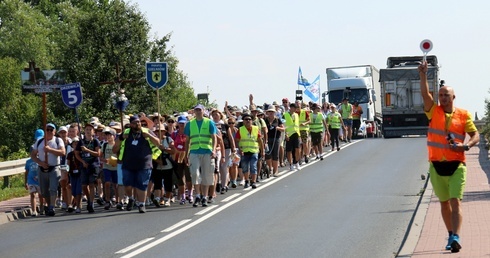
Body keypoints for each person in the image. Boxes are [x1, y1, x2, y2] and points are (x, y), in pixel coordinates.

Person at [418, 61, 479, 253]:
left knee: (455, 201)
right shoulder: (433, 111)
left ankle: (455, 237)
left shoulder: (463, 114)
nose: (443, 97)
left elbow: (475, 135)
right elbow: (425, 95)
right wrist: (423, 75)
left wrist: (466, 145)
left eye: (446, 95)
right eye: (441, 95)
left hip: (457, 164)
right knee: (444, 203)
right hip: (436, 165)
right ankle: (450, 233)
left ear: (454, 97)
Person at [113, 115, 162, 213]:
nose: (138, 124)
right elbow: (115, 149)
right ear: (131, 124)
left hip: (144, 164)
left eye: (139, 122)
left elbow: (157, 143)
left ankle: (141, 204)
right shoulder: (126, 133)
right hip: (128, 164)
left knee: (142, 185)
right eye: (135, 122)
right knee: (127, 184)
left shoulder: (146, 131)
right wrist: (121, 138)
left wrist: (149, 136)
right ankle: (131, 198)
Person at [184, 104, 218, 207]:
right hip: (194, 151)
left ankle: (205, 197)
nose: (198, 112)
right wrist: (186, 154)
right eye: (196, 110)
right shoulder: (190, 124)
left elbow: (214, 137)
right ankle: (198, 195)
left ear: (203, 111)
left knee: (206, 175)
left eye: (200, 110)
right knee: (195, 173)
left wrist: (213, 149)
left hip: (207, 151)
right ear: (194, 112)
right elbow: (187, 140)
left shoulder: (209, 122)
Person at [31, 123, 66, 216]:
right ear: (45, 131)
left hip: (54, 167)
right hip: (42, 168)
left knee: (53, 188)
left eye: (51, 130)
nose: (49, 131)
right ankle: (49, 203)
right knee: (43, 191)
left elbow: (63, 152)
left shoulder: (58, 141)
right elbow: (33, 155)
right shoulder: (39, 141)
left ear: (54, 132)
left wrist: (50, 150)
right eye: (47, 130)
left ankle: (52, 207)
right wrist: (41, 163)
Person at [75, 123, 101, 213]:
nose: (88, 131)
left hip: (93, 165)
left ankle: (91, 202)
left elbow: (98, 153)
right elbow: (77, 153)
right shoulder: (81, 142)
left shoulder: (95, 141)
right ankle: (89, 198)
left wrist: (87, 150)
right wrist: (82, 161)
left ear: (93, 132)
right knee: (84, 185)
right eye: (87, 130)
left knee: (91, 184)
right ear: (84, 131)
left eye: (90, 130)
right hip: (84, 166)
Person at [235, 114, 264, 189]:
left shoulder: (256, 129)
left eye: (249, 119)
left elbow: (260, 140)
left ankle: (253, 182)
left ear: (252, 121)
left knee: (253, 166)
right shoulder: (241, 129)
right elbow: (237, 141)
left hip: (254, 151)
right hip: (244, 151)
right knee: (245, 167)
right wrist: (240, 149)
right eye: (246, 119)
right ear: (243, 121)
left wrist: (262, 151)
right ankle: (247, 181)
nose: (248, 121)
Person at [25, 129, 45, 217]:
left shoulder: (40, 160)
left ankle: (41, 207)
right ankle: (33, 210)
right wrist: (26, 182)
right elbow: (26, 172)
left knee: (41, 195)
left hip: (39, 180)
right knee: (32, 194)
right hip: (31, 181)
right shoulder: (28, 162)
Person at [100, 127, 118, 210]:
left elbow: (120, 157)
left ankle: (117, 200)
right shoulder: (104, 145)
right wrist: (104, 160)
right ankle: (107, 200)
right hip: (106, 167)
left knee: (116, 185)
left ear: (114, 136)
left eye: (110, 135)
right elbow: (100, 156)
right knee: (107, 183)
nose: (108, 137)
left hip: (115, 167)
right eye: (106, 135)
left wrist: (112, 161)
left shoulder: (117, 145)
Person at [264, 107, 284, 176]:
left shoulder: (277, 120)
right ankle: (270, 168)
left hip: (276, 138)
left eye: (272, 112)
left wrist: (277, 128)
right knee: (268, 154)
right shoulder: (265, 120)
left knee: (275, 154)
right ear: (267, 112)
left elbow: (283, 129)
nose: (271, 113)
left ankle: (276, 171)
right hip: (267, 139)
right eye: (269, 112)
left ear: (274, 113)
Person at [283, 103, 301, 171]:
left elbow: (297, 124)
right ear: (291, 108)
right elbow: (283, 125)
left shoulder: (296, 115)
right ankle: (291, 164)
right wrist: (285, 134)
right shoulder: (285, 115)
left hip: (296, 133)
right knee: (289, 150)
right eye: (294, 108)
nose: (296, 110)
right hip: (289, 134)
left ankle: (296, 162)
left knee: (297, 149)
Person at [67, 136, 82, 213]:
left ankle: (78, 206)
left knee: (79, 190)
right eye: (74, 144)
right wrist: (67, 173)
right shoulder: (70, 154)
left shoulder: (81, 153)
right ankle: (76, 203)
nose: (75, 145)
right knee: (73, 191)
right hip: (72, 174)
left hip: (80, 173)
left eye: (77, 143)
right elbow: (68, 165)